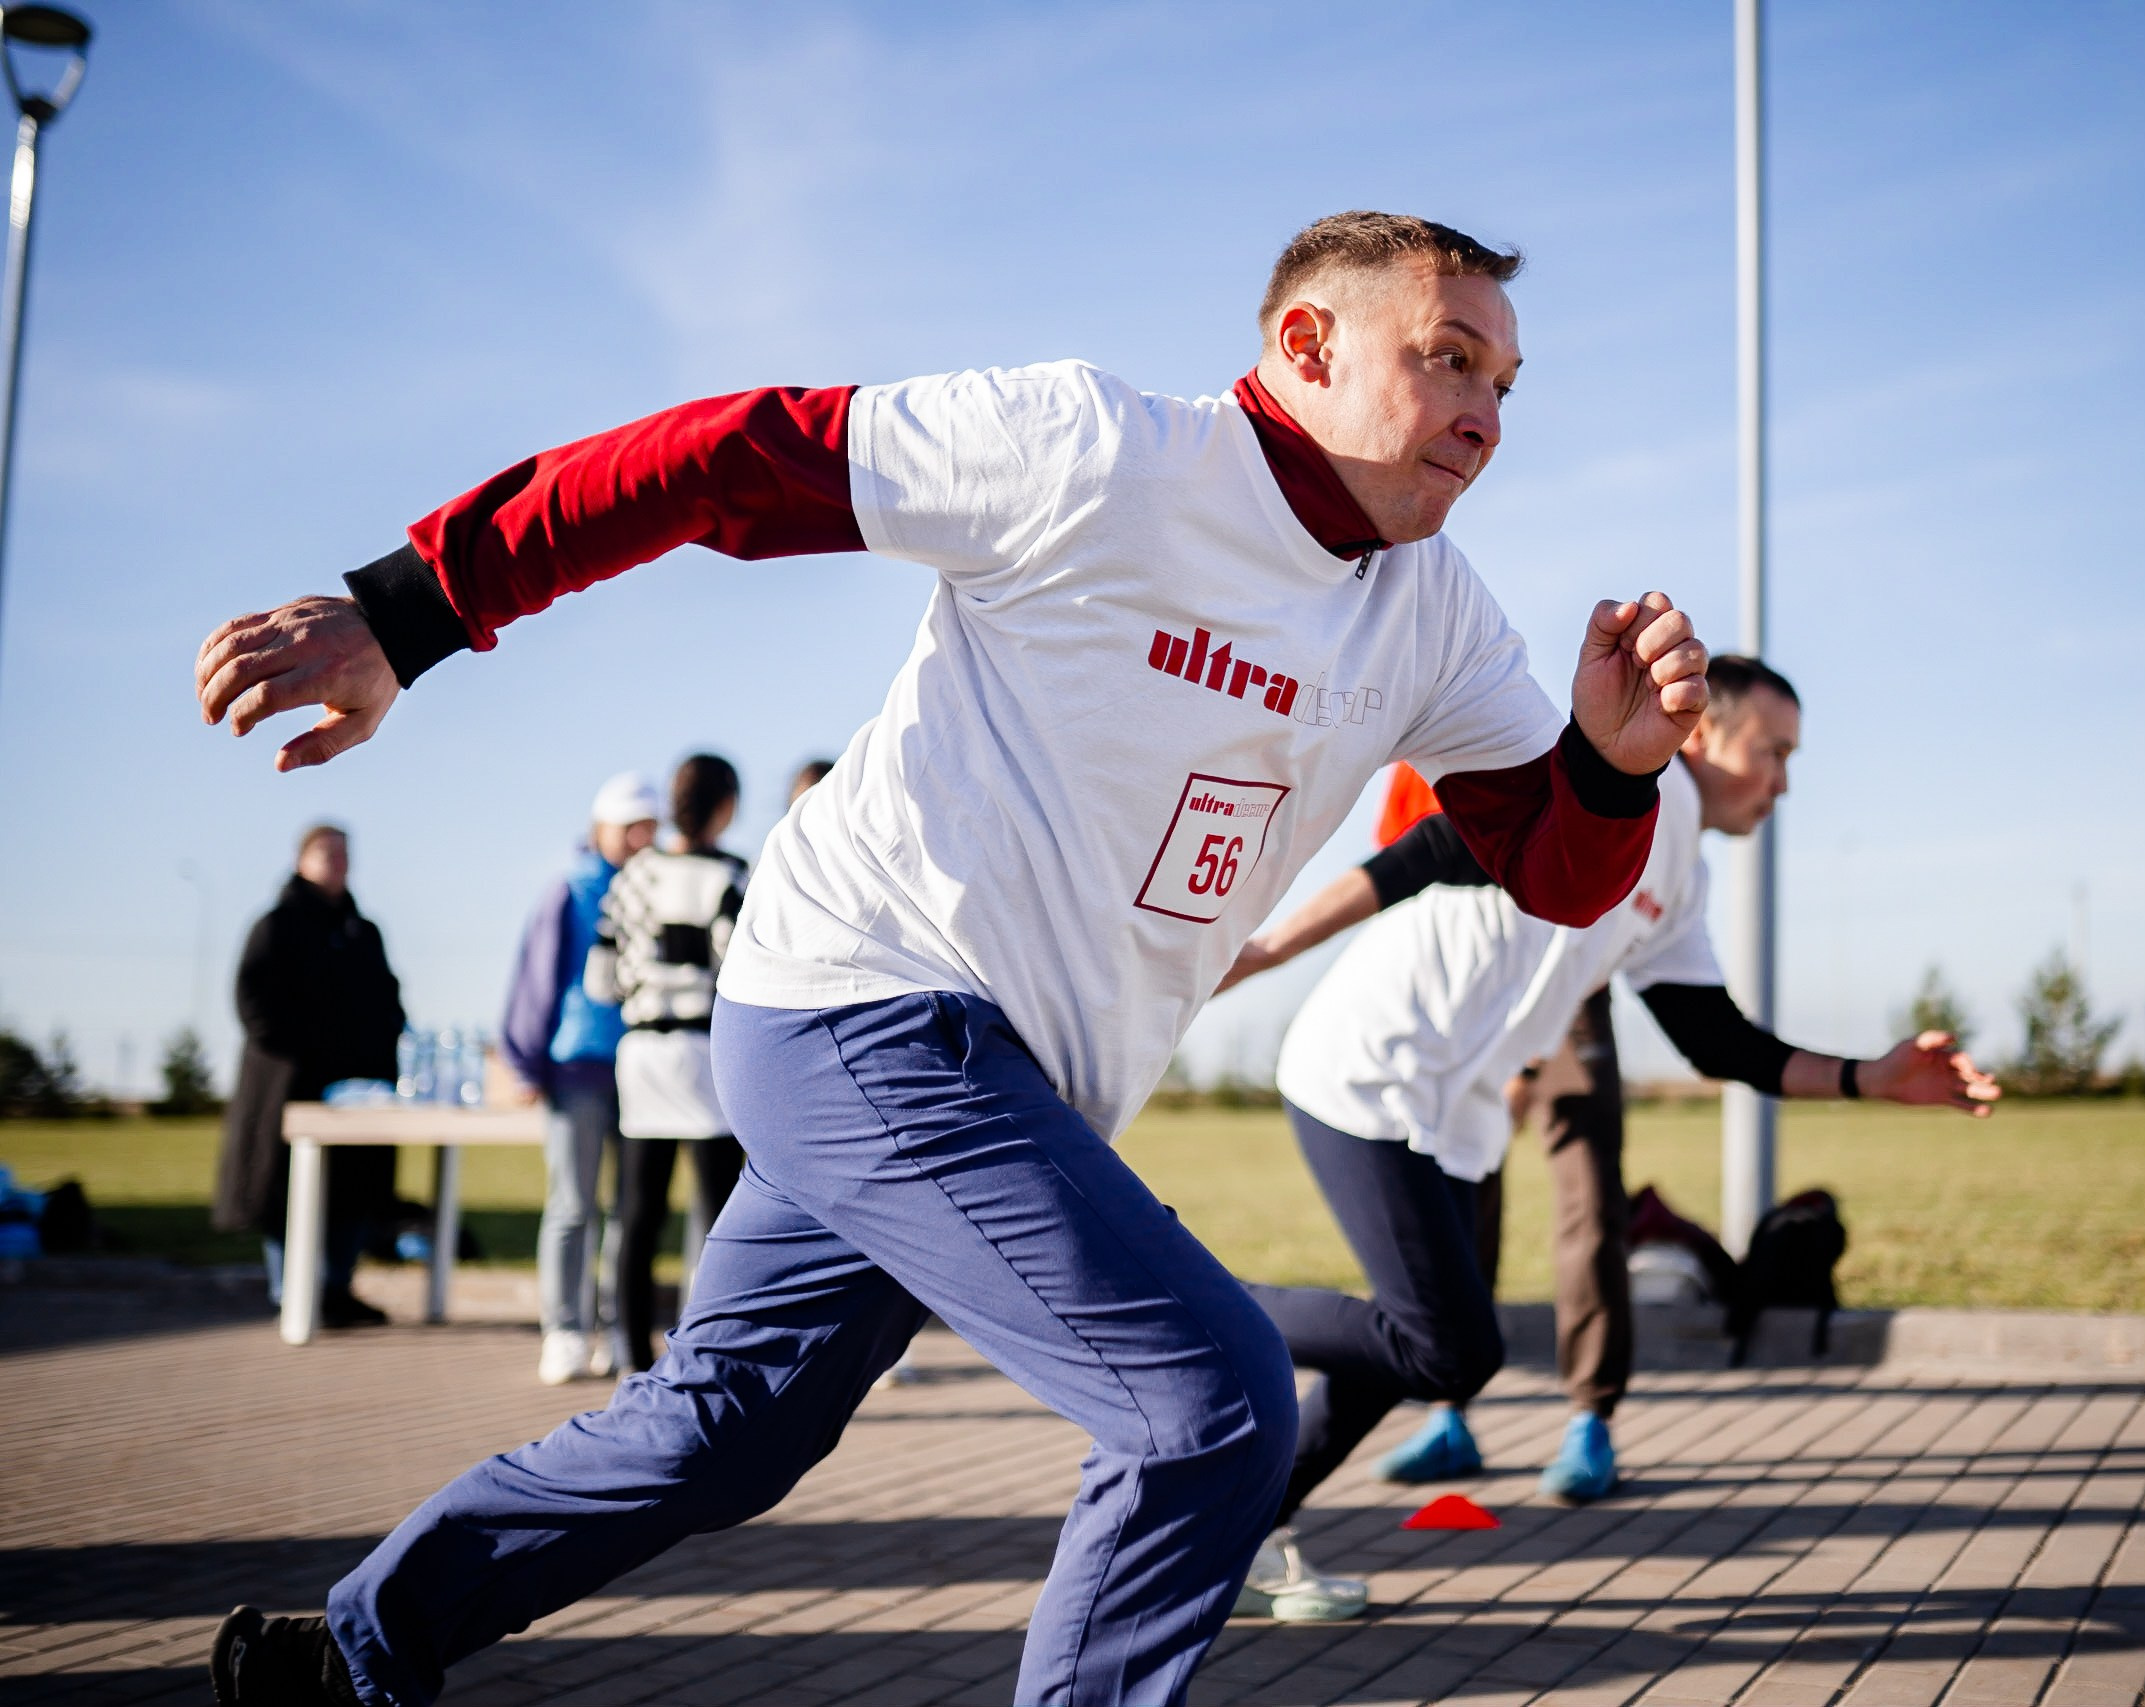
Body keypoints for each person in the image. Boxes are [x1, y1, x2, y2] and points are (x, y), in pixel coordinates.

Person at [196, 209, 1713, 1706]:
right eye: (1448, 359)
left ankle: (345, 1655)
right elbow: (723, 456)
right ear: (1304, 343)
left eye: (1505, 385)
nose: (1481, 414)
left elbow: (1559, 874)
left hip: (1003, 1076)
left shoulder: (1432, 615)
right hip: (867, 996)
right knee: (1213, 1409)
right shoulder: (1098, 453)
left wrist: (1616, 765)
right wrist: (411, 607)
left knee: (728, 1428)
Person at [1220, 656, 1997, 1614]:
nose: (1784, 782)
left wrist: (1865, 1078)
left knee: (1416, 1344)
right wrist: (1262, 953)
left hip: (1448, 1110)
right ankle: (1201, 1301)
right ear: (1704, 732)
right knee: (1449, 1347)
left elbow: (1716, 1039)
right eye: (1774, 752)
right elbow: (1426, 852)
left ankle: (1240, 1531)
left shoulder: (1682, 875)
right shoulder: (1624, 789)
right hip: (1367, 1068)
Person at [498, 772, 660, 1386]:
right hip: (578, 1066)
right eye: (632, 828)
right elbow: (536, 976)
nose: (642, 840)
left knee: (629, 1210)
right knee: (572, 1203)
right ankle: (564, 1329)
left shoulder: (659, 887)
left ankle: (620, 1327)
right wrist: (525, 1059)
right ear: (603, 831)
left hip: (644, 1067)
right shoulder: (568, 890)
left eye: (651, 828)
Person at [212, 824, 406, 1331]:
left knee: (354, 1193)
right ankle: (290, 1291)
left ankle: (336, 1288)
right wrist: (297, 1051)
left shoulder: (362, 931)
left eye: (344, 855)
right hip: (289, 1087)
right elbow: (251, 1001)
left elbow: (388, 998)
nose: (337, 863)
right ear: (302, 860)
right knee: (285, 1193)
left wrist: (385, 1041)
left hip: (357, 1094)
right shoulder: (276, 925)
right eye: (326, 854)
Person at [592, 754, 749, 1375]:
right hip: (703, 1054)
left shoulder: (632, 876)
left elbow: (600, 980)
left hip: (641, 1056)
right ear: (725, 806)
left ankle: (632, 1358)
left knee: (637, 1214)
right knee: (720, 1218)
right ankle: (713, 1357)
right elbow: (741, 969)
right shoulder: (731, 874)